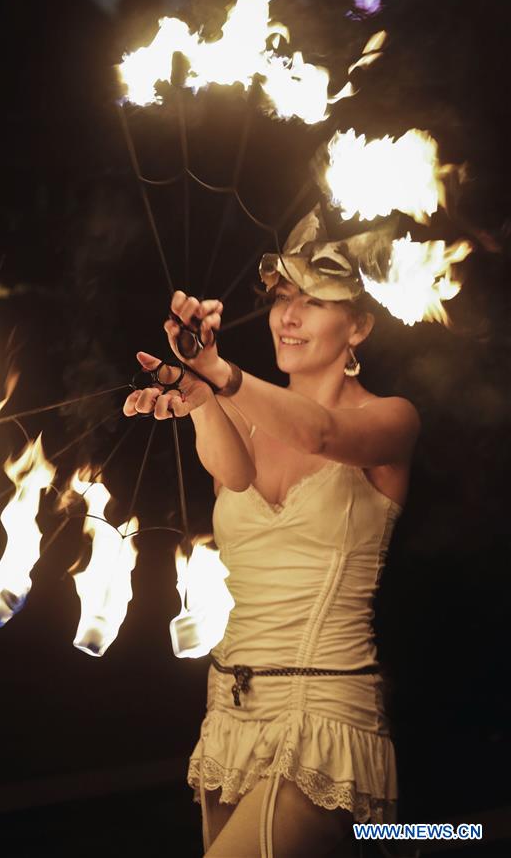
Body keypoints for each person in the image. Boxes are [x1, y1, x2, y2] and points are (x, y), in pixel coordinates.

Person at [123, 206, 420, 857]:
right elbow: (230, 468)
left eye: (312, 301)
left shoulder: (392, 419)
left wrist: (222, 374)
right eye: (283, 297)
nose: (287, 317)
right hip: (229, 713)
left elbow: (319, 432)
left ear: (360, 326)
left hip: (325, 717)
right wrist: (202, 393)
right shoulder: (248, 417)